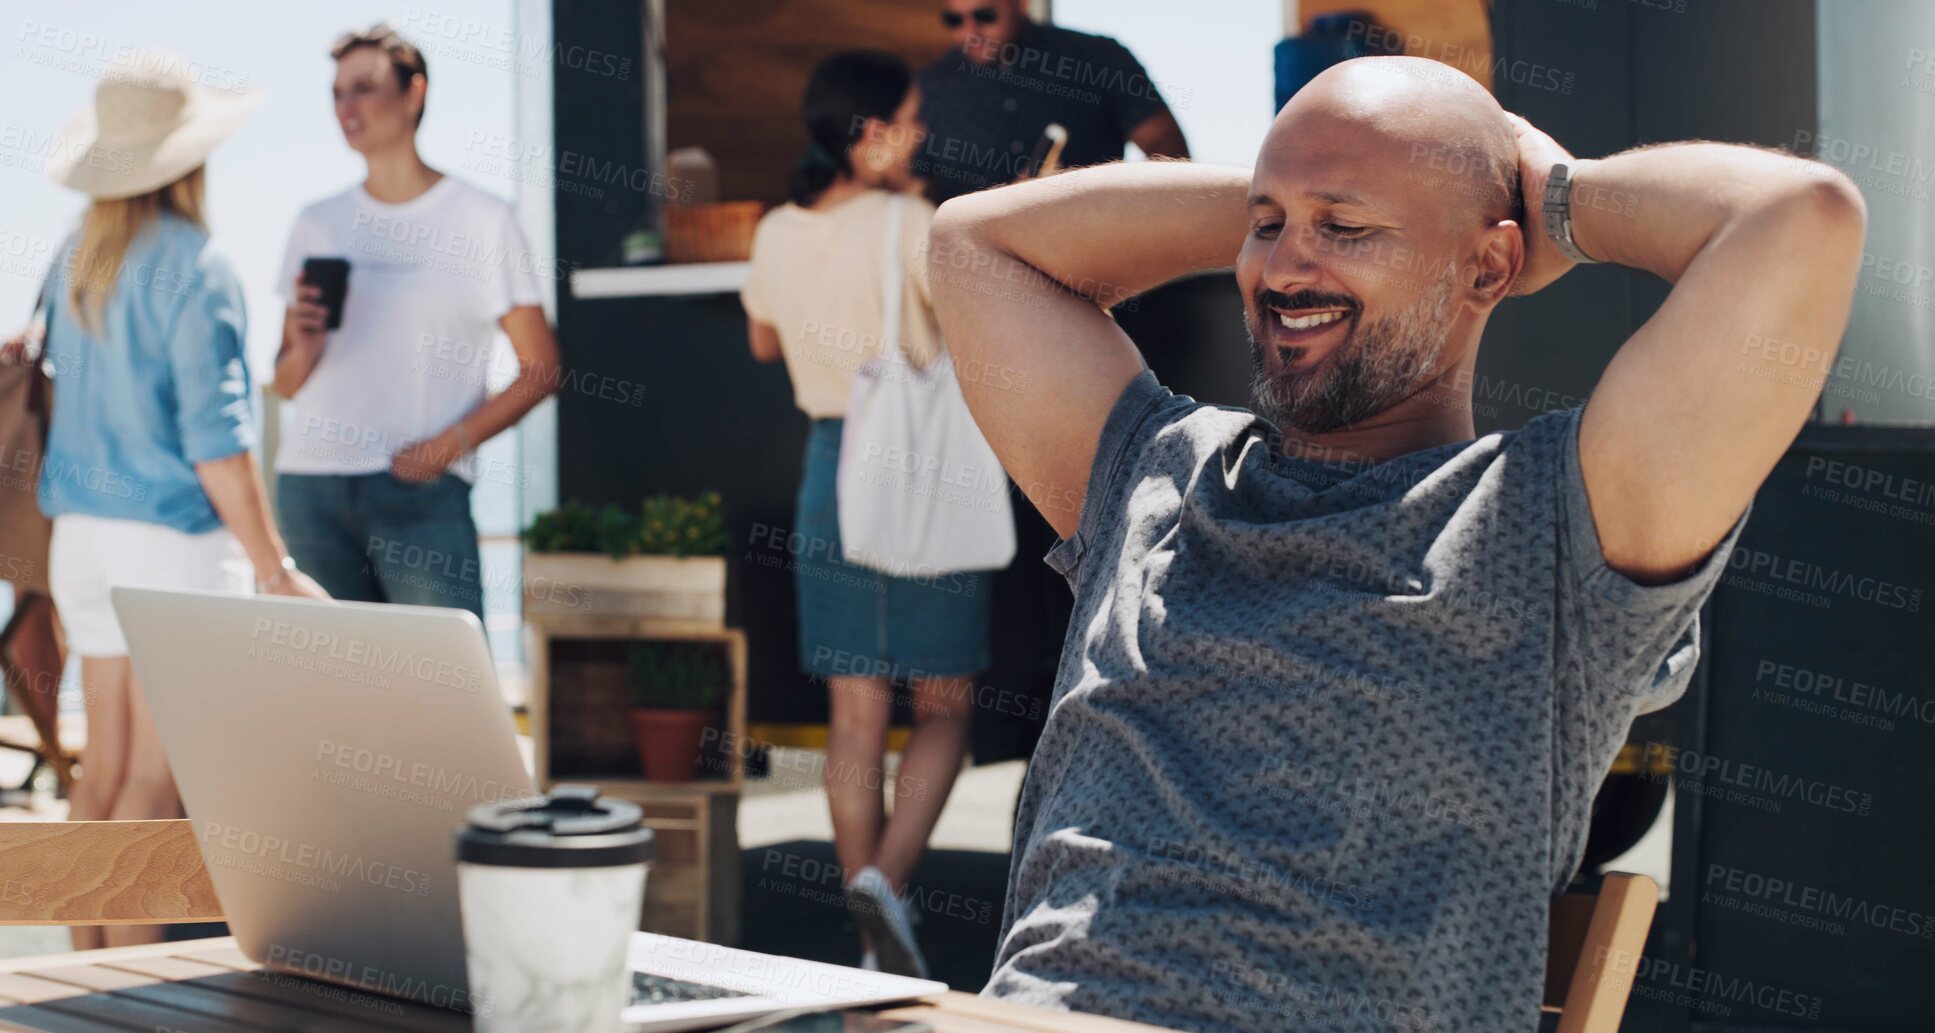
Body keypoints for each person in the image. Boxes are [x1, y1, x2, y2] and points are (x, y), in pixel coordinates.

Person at [929, 56, 1865, 1031]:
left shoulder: (1552, 517)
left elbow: (1802, 223)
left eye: (1346, 228)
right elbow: (972, 246)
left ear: (1491, 264)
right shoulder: (1151, 471)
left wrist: (1554, 198)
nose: (1286, 266)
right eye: (1268, 227)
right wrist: (1303, 201)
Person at [34, 52, 332, 949]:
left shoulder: (74, 255)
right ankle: (123, 1004)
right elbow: (220, 446)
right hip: (168, 543)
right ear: (190, 159)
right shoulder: (199, 267)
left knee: (102, 770)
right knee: (156, 788)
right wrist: (277, 569)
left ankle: (76, 992)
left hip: (79, 538)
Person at [741, 50, 992, 979]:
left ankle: (865, 943)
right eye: (911, 117)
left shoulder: (773, 230)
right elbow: (977, 322)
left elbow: (763, 342)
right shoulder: (913, 224)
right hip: (919, 466)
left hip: (827, 466)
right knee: (946, 703)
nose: (922, 132)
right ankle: (885, 882)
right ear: (871, 131)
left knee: (855, 714)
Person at [273, 23, 559, 619]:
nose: (347, 107)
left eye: (364, 88)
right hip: (309, 488)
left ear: (414, 93)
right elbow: (287, 383)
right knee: (332, 694)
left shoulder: (483, 220)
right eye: (337, 94)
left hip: (420, 491)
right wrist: (303, 346)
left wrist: (447, 447)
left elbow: (541, 369)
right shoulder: (316, 222)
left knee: (447, 691)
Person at [917, 0, 1188, 203]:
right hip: (974, 259)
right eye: (954, 20)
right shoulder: (929, 86)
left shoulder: (1098, 57)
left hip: (1094, 247)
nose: (970, 32)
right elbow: (915, 184)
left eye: (985, 15)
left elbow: (1168, 150)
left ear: (1022, 3)